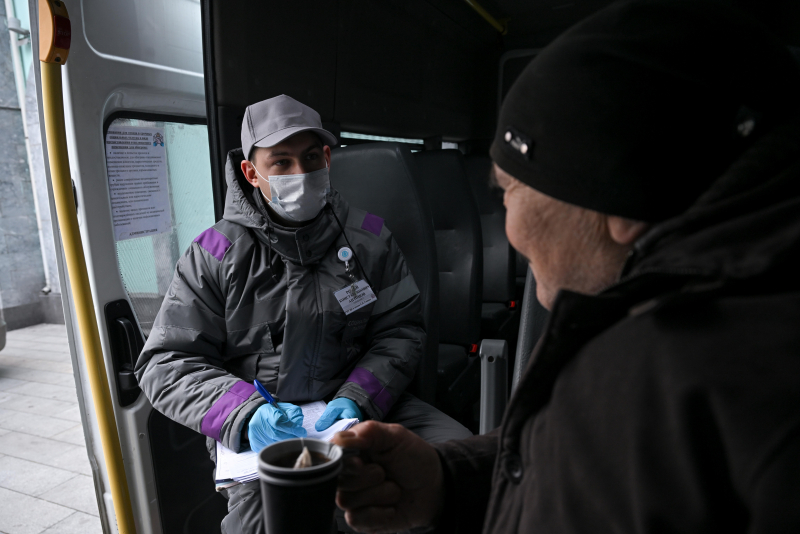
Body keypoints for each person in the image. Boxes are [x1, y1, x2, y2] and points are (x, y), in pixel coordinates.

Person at [332, 1, 800, 532]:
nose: (509, 231)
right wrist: (449, 479)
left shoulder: (684, 370)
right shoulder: (697, 341)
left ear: (621, 201)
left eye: (509, 192)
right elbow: (581, 460)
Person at [135, 95, 471, 534]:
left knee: (461, 463)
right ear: (251, 173)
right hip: (263, 430)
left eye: (311, 158)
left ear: (327, 159)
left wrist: (358, 396)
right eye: (282, 162)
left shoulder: (369, 239)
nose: (301, 173)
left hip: (363, 408)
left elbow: (400, 330)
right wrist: (245, 413)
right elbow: (165, 362)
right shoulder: (214, 256)